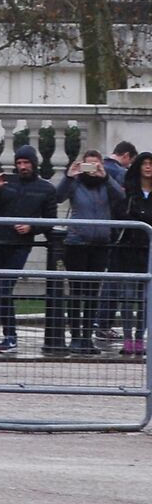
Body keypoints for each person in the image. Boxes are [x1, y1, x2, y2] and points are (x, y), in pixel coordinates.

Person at [0, 143, 57, 354]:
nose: (22, 166)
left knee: (4, 288)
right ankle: (9, 337)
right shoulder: (5, 181)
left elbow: (50, 220)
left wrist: (31, 227)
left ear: (34, 163)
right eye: (19, 162)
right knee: (4, 290)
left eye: (26, 162)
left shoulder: (46, 188)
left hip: (21, 244)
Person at [55, 148, 124, 355]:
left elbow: (121, 197)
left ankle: (87, 337)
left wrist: (106, 177)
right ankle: (76, 337)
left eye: (95, 164)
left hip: (100, 244)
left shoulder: (105, 184)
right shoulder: (76, 183)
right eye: (88, 164)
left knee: (93, 294)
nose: (91, 169)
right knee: (76, 292)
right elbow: (58, 197)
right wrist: (69, 176)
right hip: (76, 243)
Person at [114, 151, 152, 359]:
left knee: (146, 299)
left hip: (149, 252)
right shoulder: (129, 192)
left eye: (150, 163)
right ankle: (128, 338)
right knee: (128, 297)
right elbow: (119, 214)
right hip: (129, 250)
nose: (148, 167)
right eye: (144, 163)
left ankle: (140, 338)